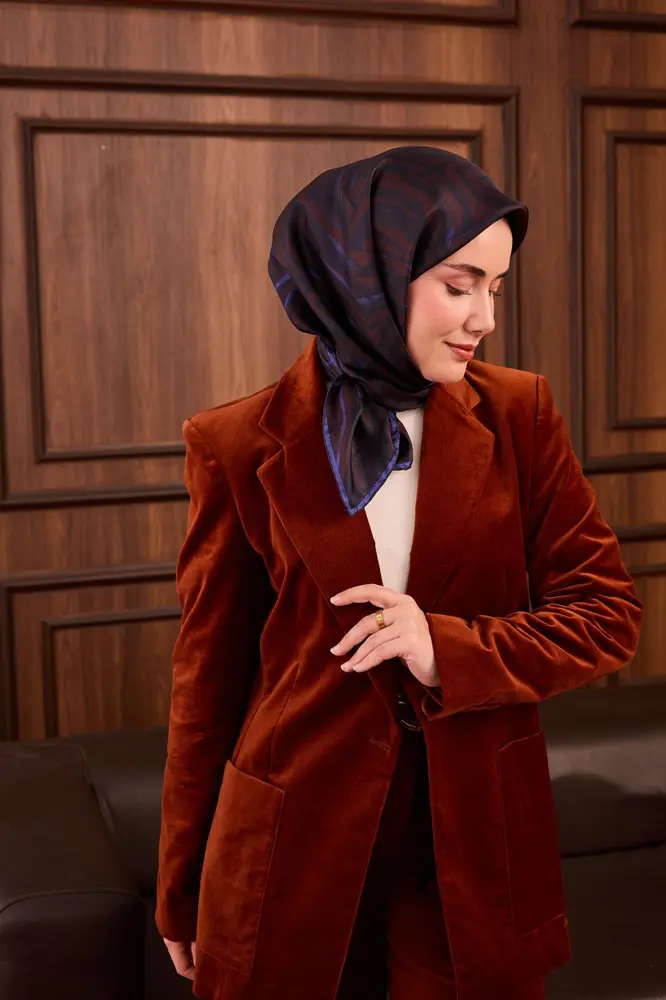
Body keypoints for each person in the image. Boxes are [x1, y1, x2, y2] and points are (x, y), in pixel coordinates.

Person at [155, 146, 643, 1000]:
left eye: (495, 288)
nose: (484, 316)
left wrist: (443, 649)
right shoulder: (233, 443)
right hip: (289, 851)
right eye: (460, 284)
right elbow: (208, 680)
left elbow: (608, 616)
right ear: (367, 273)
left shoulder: (521, 415)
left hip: (473, 851)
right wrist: (181, 887)